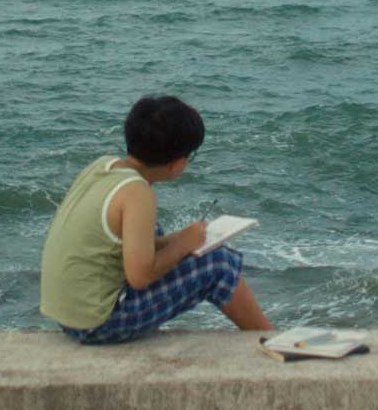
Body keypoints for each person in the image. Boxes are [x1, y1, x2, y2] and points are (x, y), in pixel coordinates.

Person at [40, 95, 272, 344]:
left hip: (69, 316)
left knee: (154, 231)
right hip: (98, 324)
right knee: (220, 264)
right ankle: (271, 339)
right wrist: (182, 244)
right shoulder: (138, 193)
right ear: (178, 164)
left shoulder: (104, 166)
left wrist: (177, 239)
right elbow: (140, 277)